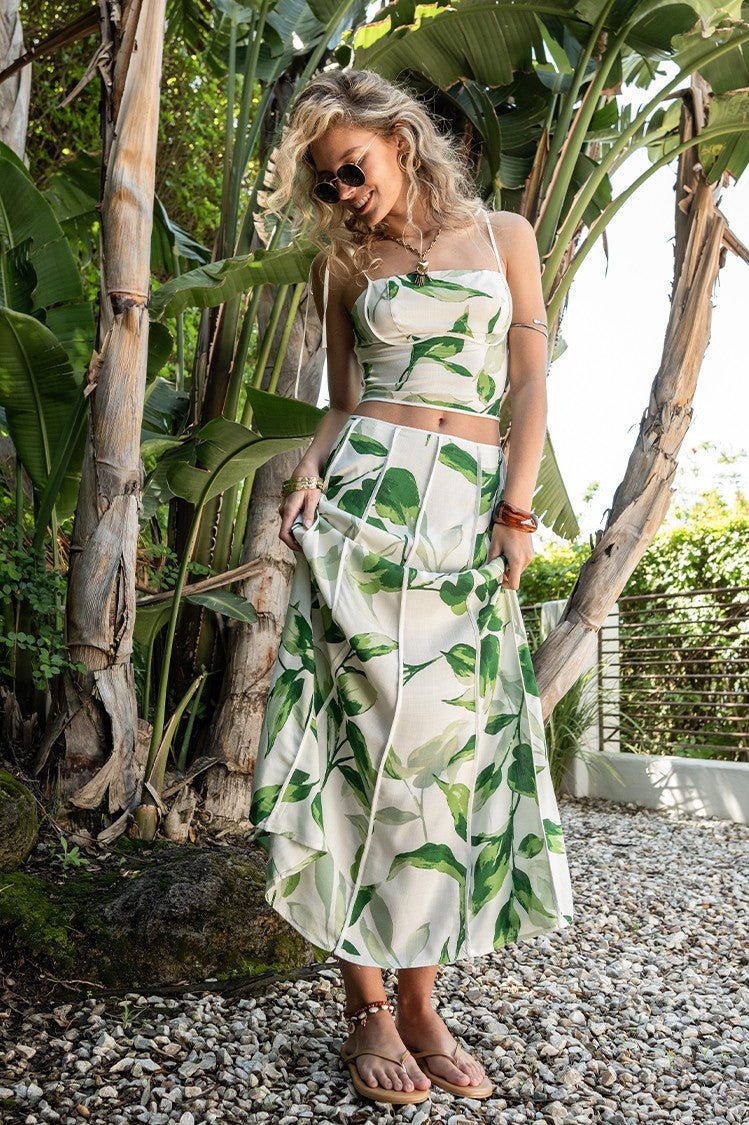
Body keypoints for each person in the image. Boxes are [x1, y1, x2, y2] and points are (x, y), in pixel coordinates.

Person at [249, 67, 575, 1107]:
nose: (342, 194)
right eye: (324, 183)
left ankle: (423, 1001)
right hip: (366, 510)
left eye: (351, 168)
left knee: (444, 759)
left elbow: (528, 382)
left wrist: (515, 513)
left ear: (398, 137)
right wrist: (307, 470)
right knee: (356, 750)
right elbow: (343, 401)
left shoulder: (504, 236)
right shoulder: (342, 264)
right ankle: (366, 1007)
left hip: (464, 515)